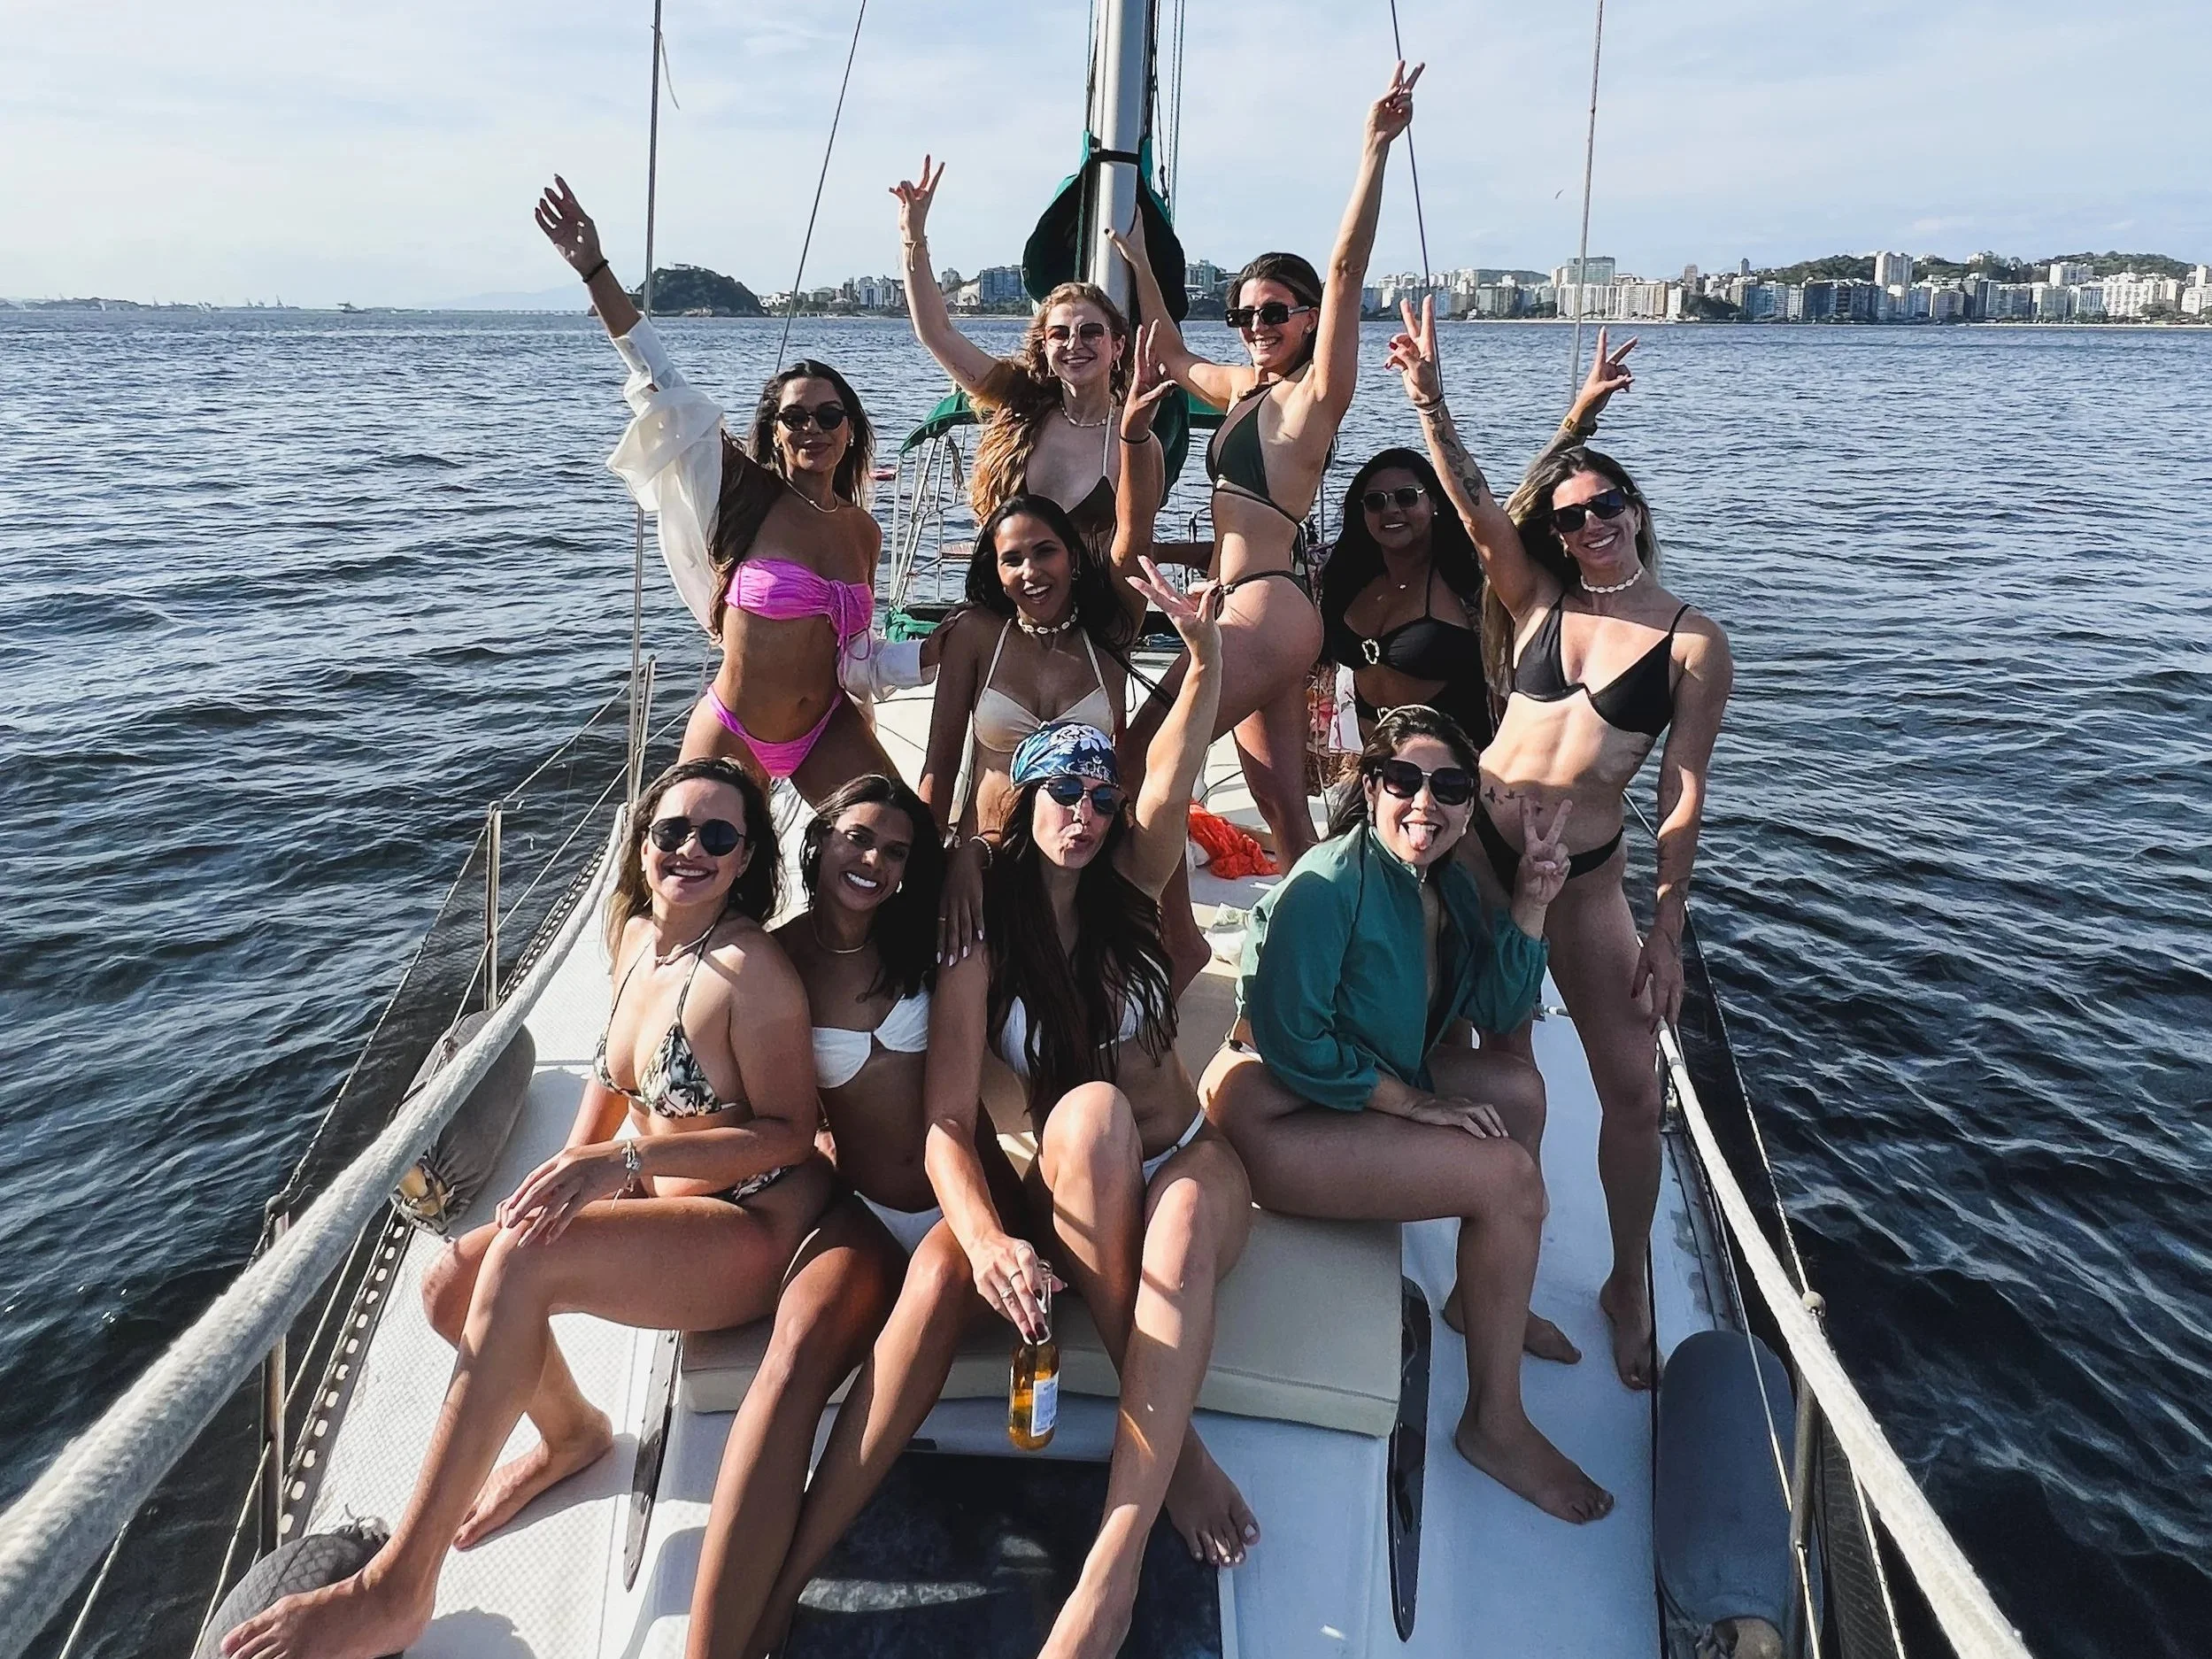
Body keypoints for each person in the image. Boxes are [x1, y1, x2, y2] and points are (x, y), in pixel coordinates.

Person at [221, 759, 836, 1659]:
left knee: (518, 1265)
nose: (691, 849)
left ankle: (395, 1583)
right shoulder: (634, 938)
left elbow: (791, 1132)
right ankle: (573, 1435)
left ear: (747, 857)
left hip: (757, 1223)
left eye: (719, 835)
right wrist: (569, 1167)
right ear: (643, 841)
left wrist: (620, 1160)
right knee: (447, 1282)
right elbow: (615, 1076)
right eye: (673, 830)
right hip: (666, 1196)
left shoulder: (752, 972)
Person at [1388, 297, 1734, 1390]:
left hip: (1584, 882)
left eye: (1609, 505)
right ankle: (1498, 1273)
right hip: (1478, 858)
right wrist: (1432, 403)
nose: (1592, 525)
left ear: (1637, 510)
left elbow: (1682, 791)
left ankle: (1630, 1275)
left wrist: (1668, 925)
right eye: (1576, 513)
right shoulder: (1532, 597)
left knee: (1633, 1087)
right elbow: (1476, 500)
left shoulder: (1690, 639)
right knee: (1503, 1076)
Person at [1199, 707, 1614, 1524]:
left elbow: (1498, 1006)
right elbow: (1292, 1040)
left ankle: (1477, 1294)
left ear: (1468, 804)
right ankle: (1493, 1424)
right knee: (1504, 1180)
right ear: (1371, 787)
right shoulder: (1328, 883)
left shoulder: (1444, 887)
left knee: (1520, 1094)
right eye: (1404, 781)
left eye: (1450, 786)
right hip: (1273, 1119)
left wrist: (1532, 904)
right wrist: (1415, 1105)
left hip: (1352, 1084)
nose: (1425, 803)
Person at [695, 774, 1038, 1656]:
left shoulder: (941, 945)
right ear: (818, 841)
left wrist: (962, 854)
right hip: (862, 1216)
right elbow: (749, 1105)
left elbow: (949, 1121)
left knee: (937, 1276)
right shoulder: (776, 963)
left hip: (970, 1207)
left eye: (896, 849)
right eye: (857, 837)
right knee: (795, 1353)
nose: (874, 859)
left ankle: (786, 1584)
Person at [986, 565, 1258, 1659]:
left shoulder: (1135, 882)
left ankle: (1115, 1558)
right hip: (1081, 1173)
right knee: (1091, 1112)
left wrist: (1204, 661)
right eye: (1067, 794)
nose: (1090, 814)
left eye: (1102, 798)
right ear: (1028, 803)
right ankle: (1176, 1456)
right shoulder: (984, 915)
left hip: (1186, 1151)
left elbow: (1179, 760)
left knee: (1182, 1227)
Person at [1107, 62, 1424, 881]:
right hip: (1253, 606)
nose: (1256, 325)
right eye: (1244, 314)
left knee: (1137, 753)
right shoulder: (1242, 387)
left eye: (1274, 313)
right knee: (1280, 802)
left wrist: (1373, 150)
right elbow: (1171, 352)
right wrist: (1141, 263)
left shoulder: (1317, 394)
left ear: (1309, 319)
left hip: (1267, 610)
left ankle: (1131, 930)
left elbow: (1349, 268)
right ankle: (1325, 934)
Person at [536, 176, 929, 799]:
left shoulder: (862, 529)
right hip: (734, 730)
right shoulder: (742, 495)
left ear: (850, 431)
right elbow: (659, 378)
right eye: (795, 417)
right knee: (706, 876)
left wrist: (936, 652)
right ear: (773, 432)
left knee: (907, 843)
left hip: (827, 727)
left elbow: (855, 659)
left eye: (829, 416)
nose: (813, 429)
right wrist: (593, 269)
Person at [919, 354, 1170, 967]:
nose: (1031, 571)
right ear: (995, 570)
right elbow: (939, 765)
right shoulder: (978, 633)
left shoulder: (1108, 628)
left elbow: (1133, 534)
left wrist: (1133, 434)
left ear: (1073, 557)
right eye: (1012, 559)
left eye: (1046, 551)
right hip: (992, 856)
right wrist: (941, 865)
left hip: (1086, 858)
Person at [1320, 333, 1638, 747]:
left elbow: (1516, 503)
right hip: (1369, 765)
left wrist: (1580, 416)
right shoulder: (1342, 571)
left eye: (1406, 497)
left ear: (1434, 503)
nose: (1391, 510)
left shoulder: (1470, 572)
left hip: (1459, 772)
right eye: (1375, 501)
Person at [893, 158, 1160, 588]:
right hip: (1004, 602)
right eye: (1060, 334)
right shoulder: (1021, 405)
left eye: (1091, 332)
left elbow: (1136, 550)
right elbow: (936, 332)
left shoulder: (1134, 438)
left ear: (1118, 345)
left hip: (1090, 615)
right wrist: (913, 238)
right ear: (1045, 346)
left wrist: (1141, 264)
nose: (1075, 344)